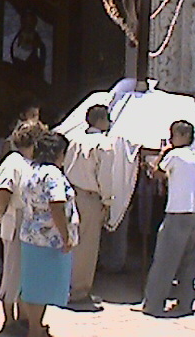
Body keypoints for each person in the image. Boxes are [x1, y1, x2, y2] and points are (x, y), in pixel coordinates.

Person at [19, 131, 79, 337]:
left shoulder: (32, 170)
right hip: (49, 239)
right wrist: (66, 236)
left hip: (31, 237)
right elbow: (56, 205)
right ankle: (35, 329)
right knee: (43, 287)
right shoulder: (52, 173)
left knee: (35, 285)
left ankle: (36, 326)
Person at [142, 120, 195, 318]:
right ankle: (185, 303)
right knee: (188, 262)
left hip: (177, 212)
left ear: (182, 136)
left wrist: (162, 153)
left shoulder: (175, 155)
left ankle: (154, 303)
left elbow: (157, 173)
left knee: (164, 261)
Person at [0, 119, 45, 336]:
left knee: (26, 273)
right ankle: (9, 319)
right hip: (16, 219)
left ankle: (24, 317)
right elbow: (4, 188)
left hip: (31, 223)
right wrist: (1, 211)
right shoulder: (13, 161)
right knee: (13, 272)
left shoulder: (34, 163)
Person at [64, 104, 114, 312]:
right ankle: (79, 291)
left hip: (71, 193)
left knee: (70, 241)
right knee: (87, 246)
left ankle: (65, 286)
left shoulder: (75, 140)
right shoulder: (104, 144)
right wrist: (108, 200)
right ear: (102, 120)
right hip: (90, 196)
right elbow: (105, 176)